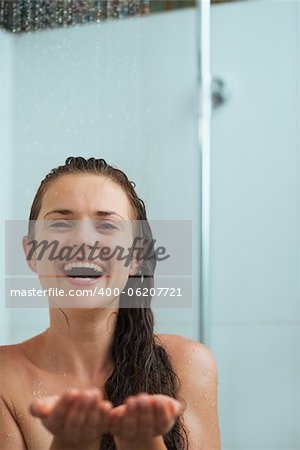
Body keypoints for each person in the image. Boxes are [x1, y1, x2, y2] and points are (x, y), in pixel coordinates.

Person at [0, 157, 221, 450]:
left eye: (106, 225)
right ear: (31, 252)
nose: (83, 241)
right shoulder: (5, 377)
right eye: (61, 222)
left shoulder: (189, 365)